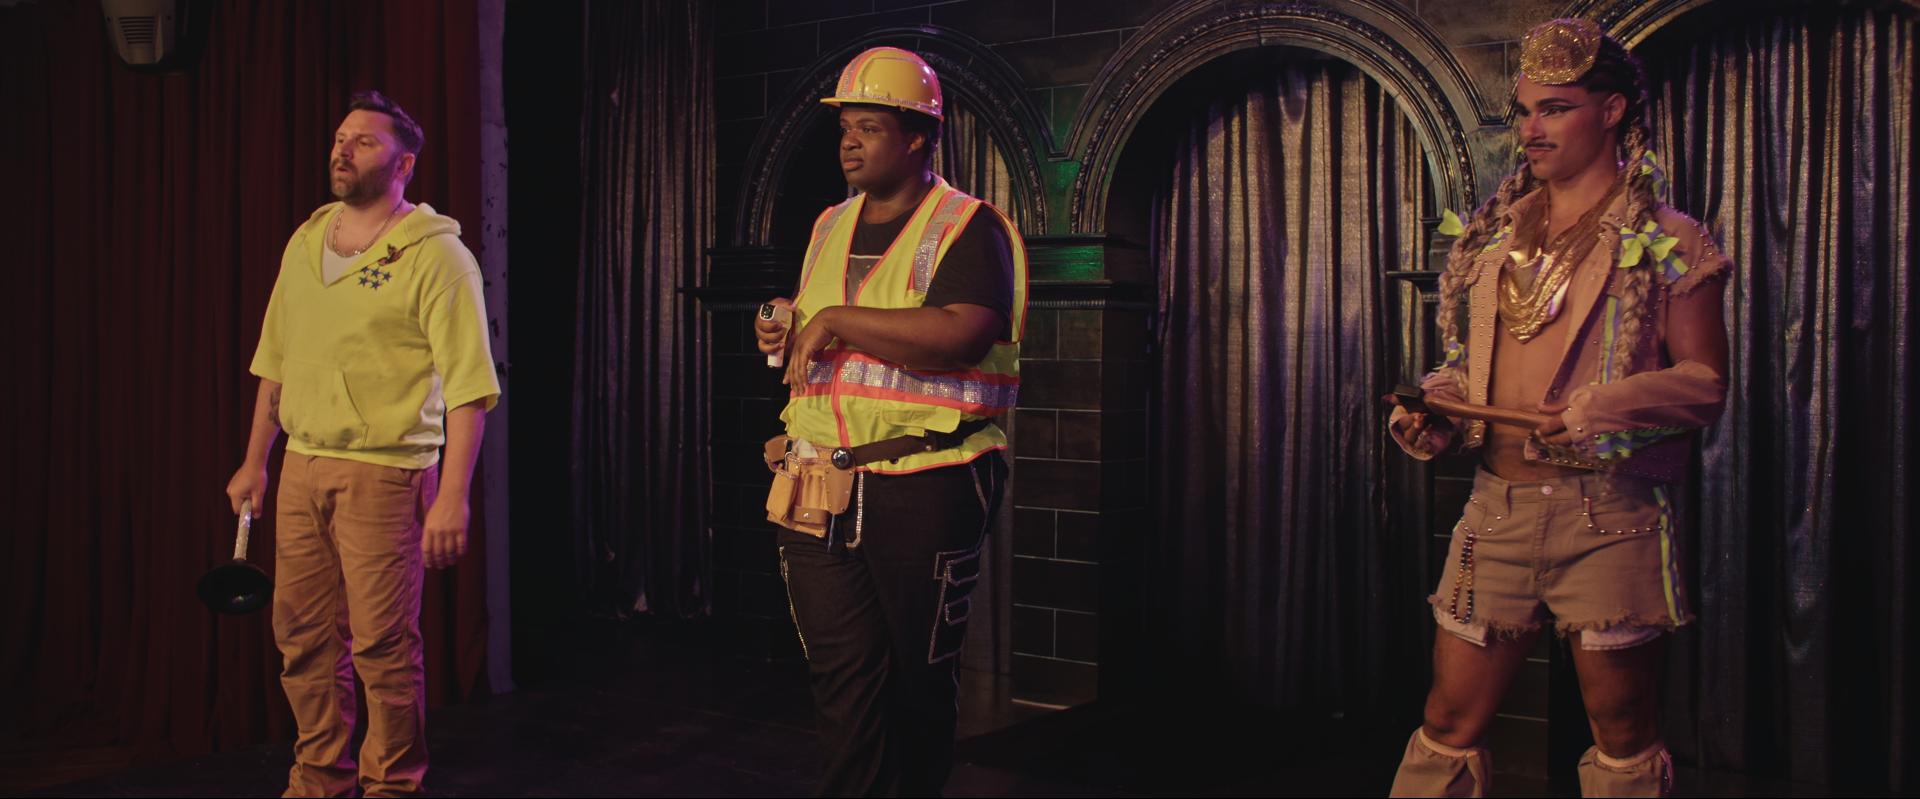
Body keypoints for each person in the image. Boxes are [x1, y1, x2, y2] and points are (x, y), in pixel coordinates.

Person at [1385, 18, 1730, 798]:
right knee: (1447, 717)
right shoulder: (1490, 241)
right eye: (1526, 111)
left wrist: (1602, 407)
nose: (1532, 130)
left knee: (1623, 729)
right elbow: (1470, 370)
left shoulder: (1671, 241)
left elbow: (1707, 384)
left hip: (1608, 516)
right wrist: (1438, 409)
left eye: (1556, 108)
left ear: (1610, 112)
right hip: (1494, 513)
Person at [752, 46, 1027, 796]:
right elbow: (818, 322)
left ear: (917, 137)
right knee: (842, 685)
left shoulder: (968, 226)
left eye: (869, 127)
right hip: (818, 482)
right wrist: (783, 321)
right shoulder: (827, 224)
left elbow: (964, 332)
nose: (849, 141)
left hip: (926, 481)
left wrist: (835, 317)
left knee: (915, 684)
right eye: (846, 127)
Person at [225, 89, 499, 797]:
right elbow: (277, 362)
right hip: (301, 467)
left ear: (404, 163)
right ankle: (319, 776)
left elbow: (470, 386)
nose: (343, 148)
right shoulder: (306, 241)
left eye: (364, 141)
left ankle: (393, 784)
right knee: (302, 638)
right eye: (341, 137)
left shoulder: (438, 258)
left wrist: (453, 498)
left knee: (381, 645)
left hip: (386, 473)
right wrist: (256, 460)